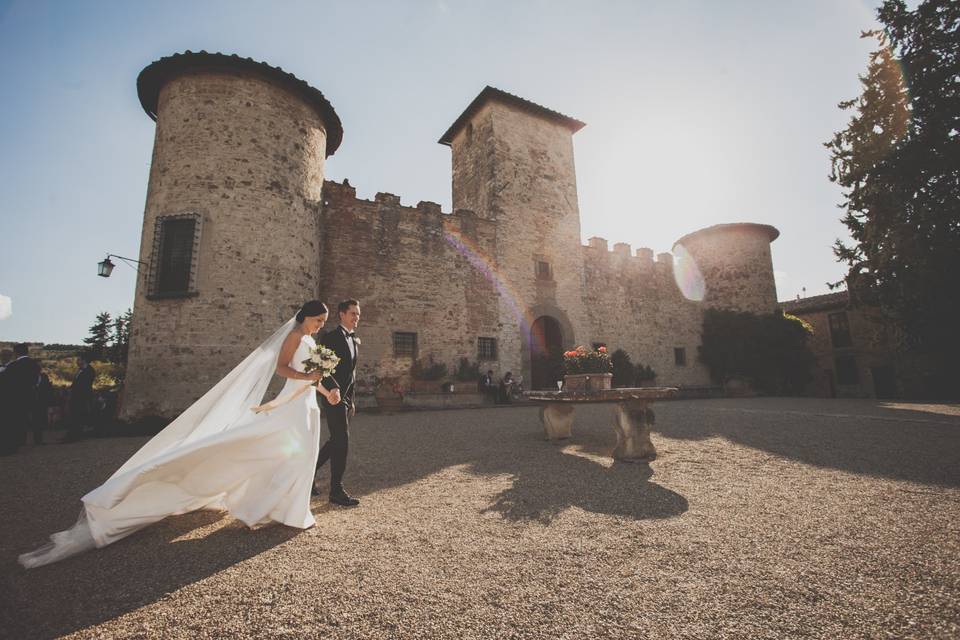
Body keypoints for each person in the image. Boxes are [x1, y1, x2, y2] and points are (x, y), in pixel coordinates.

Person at [18, 300, 342, 569]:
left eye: (323, 322)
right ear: (304, 317)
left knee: (301, 456)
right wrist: (307, 375)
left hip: (306, 406)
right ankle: (270, 506)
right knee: (268, 450)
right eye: (318, 320)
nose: (320, 325)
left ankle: (284, 507)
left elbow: (315, 376)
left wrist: (326, 391)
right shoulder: (296, 338)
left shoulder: (313, 342)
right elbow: (283, 369)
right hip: (289, 407)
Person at [314, 299, 361, 506]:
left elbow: (351, 373)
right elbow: (321, 365)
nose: (356, 317)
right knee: (341, 440)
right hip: (332, 396)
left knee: (335, 440)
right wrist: (332, 388)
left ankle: (307, 474)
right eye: (353, 313)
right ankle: (336, 490)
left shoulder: (354, 339)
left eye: (358, 314)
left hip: (347, 399)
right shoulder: (330, 337)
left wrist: (352, 399)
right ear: (341, 314)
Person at [1, 344, 41, 454]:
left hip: (14, 397)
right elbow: (37, 382)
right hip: (29, 396)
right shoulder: (35, 365)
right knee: (22, 419)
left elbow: (5, 382)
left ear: (16, 353)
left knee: (12, 421)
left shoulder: (14, 365)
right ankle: (18, 442)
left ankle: (11, 446)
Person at [62, 352, 95, 443]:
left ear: (84, 360)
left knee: (78, 416)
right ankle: (72, 434)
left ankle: (75, 436)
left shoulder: (89, 370)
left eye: (79, 359)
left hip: (82, 397)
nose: (77, 361)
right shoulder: (80, 370)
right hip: (76, 396)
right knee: (74, 416)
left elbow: (85, 384)